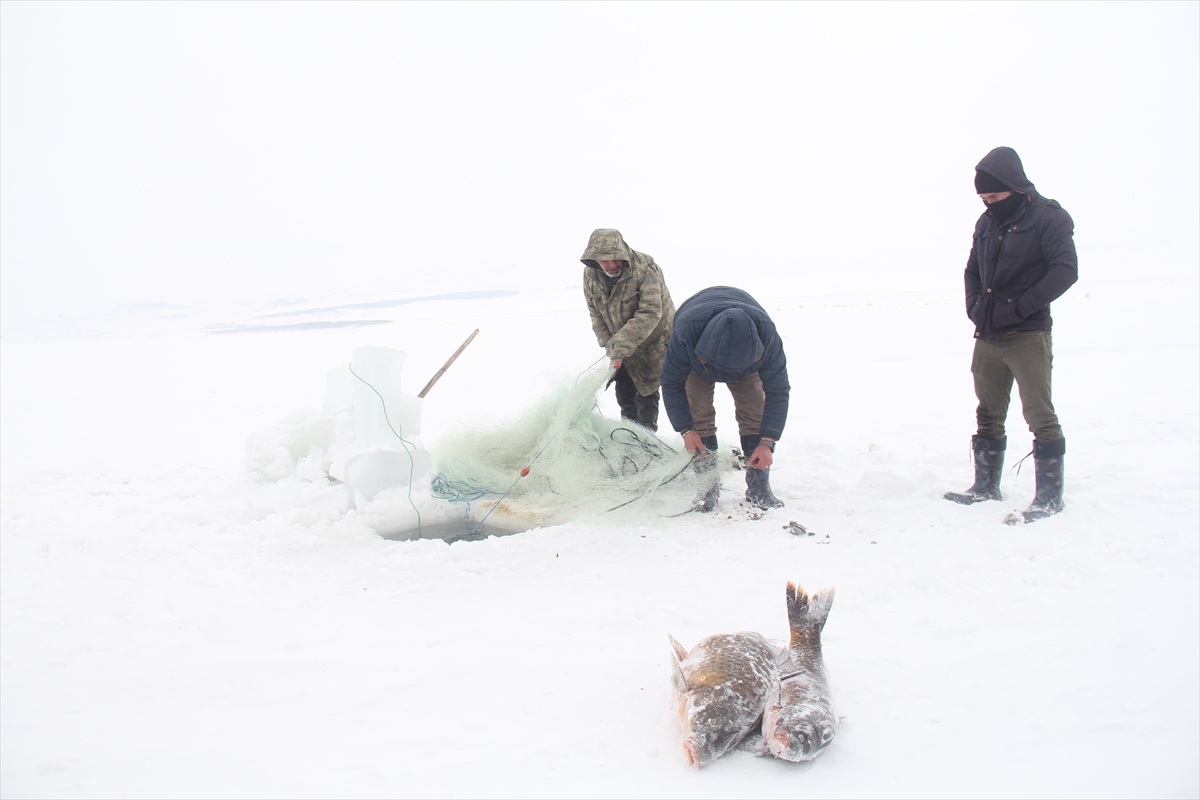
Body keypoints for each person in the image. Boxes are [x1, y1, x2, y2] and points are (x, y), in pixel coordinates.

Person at [945, 147, 1078, 523]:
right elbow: (972, 269)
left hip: (1027, 333)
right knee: (987, 411)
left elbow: (1066, 270)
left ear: (1015, 188)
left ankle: (1049, 497)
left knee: (1039, 413)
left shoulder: (1049, 218)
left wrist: (1022, 306)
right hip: (987, 333)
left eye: (995, 197)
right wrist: (974, 306)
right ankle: (985, 486)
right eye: (983, 199)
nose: (989, 205)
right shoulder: (986, 223)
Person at [660, 286, 790, 511]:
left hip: (746, 364)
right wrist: (686, 430)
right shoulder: (685, 335)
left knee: (754, 409)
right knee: (697, 413)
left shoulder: (766, 337)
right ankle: (707, 487)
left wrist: (768, 441)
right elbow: (671, 384)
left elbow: (778, 390)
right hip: (697, 360)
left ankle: (758, 487)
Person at [580, 228, 675, 431]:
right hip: (619, 345)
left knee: (647, 390)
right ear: (594, 258)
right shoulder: (590, 276)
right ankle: (630, 436)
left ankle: (647, 438)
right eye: (606, 260)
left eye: (616, 258)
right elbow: (595, 312)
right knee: (624, 389)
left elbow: (650, 312)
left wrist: (620, 344)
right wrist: (608, 343)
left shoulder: (645, 269)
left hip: (653, 342)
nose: (612, 264)